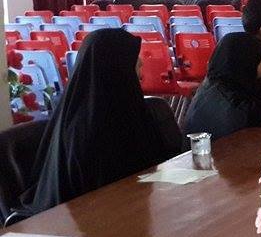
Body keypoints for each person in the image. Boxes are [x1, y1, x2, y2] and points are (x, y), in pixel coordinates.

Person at [17, 29, 183, 217]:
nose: (141, 62)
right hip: (94, 219)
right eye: (132, 57)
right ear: (113, 66)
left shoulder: (126, 108)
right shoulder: (85, 130)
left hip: (138, 207)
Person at [185, 33, 261, 141]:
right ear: (248, 63)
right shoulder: (225, 100)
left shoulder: (233, 80)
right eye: (260, 60)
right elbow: (253, 115)